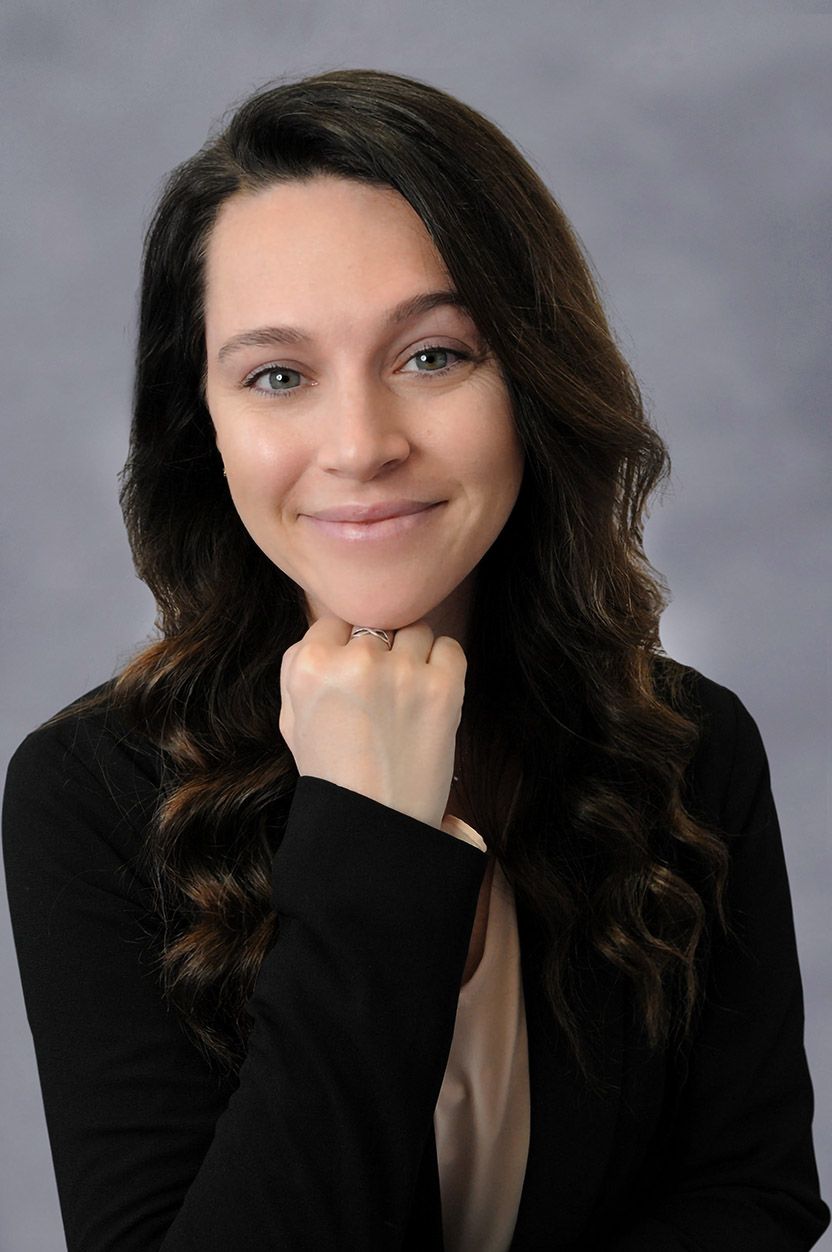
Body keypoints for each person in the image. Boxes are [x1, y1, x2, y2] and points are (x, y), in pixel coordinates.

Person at [2, 67, 828, 1252]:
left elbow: (752, 1197)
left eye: (431, 355)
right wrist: (367, 832)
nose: (360, 445)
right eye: (278, 375)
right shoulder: (84, 795)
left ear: (531, 379)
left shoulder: (688, 748)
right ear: (208, 428)